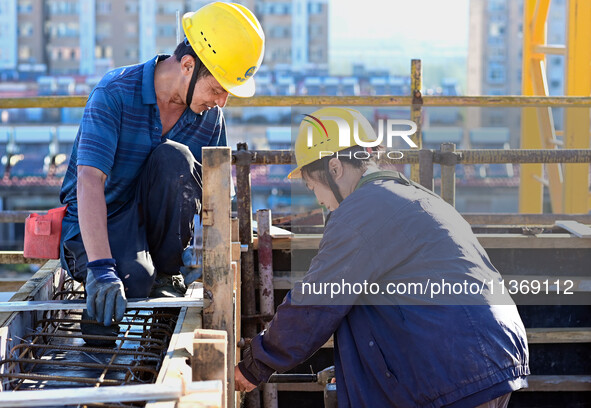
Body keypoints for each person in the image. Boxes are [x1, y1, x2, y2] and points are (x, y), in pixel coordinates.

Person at [235, 107, 529, 407]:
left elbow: (318, 299)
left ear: (335, 168)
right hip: (483, 356)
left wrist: (255, 364)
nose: (320, 201)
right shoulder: (411, 195)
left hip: (460, 367)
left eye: (314, 187)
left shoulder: (362, 210)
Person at [59, 2, 265, 335]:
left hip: (153, 230)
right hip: (99, 222)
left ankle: (168, 274)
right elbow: (89, 181)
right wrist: (100, 268)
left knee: (176, 160)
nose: (221, 101)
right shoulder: (114, 93)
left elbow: (211, 191)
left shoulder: (209, 117)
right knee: (130, 281)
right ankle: (102, 334)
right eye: (217, 89)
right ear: (187, 65)